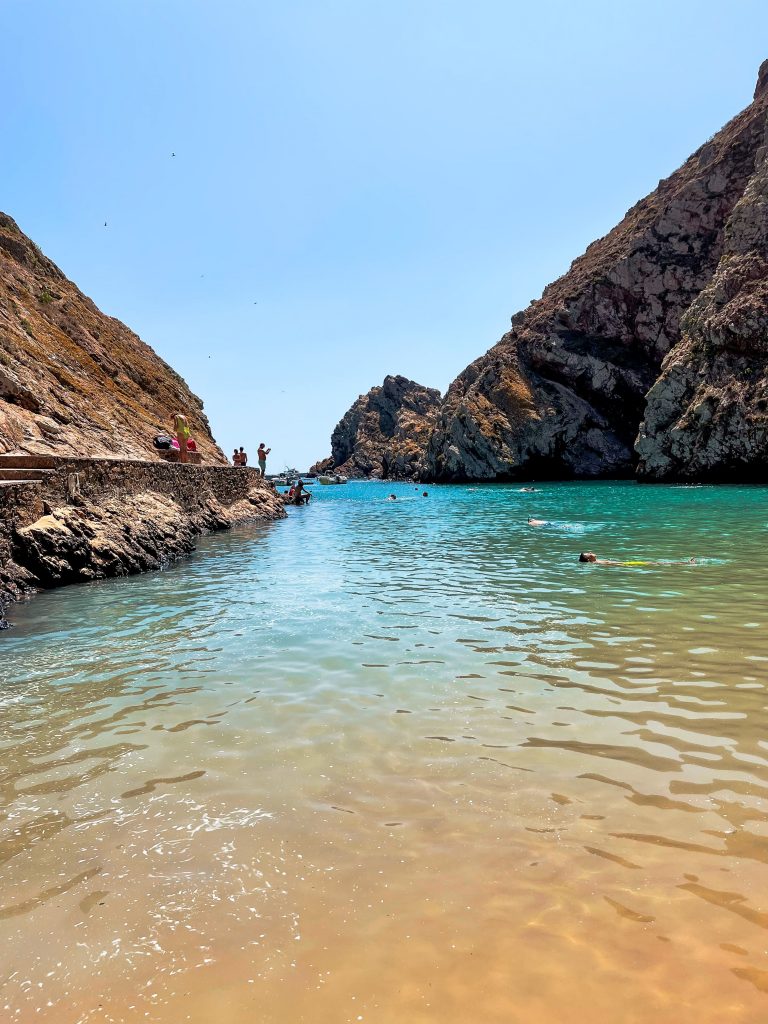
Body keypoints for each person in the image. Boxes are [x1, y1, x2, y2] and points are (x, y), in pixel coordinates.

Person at [579, 552, 698, 566]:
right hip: (628, 564)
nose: (591, 552)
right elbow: (612, 564)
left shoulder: (597, 562)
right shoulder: (596, 563)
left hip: (627, 563)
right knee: (658, 563)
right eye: (588, 554)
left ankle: (686, 563)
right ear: (589, 559)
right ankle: (687, 563)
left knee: (658, 562)